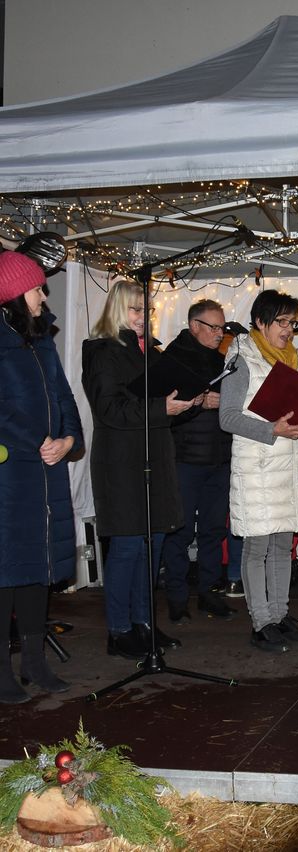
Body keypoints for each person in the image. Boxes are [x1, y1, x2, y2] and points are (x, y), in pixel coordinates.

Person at [82, 279, 194, 660]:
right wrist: (163, 408)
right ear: (117, 310)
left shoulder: (151, 353)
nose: (142, 318)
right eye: (134, 310)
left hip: (154, 460)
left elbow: (161, 401)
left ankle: (144, 623)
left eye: (146, 311)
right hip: (122, 464)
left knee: (154, 545)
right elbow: (109, 411)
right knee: (128, 548)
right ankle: (119, 629)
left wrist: (192, 399)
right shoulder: (103, 352)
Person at [0, 251, 83, 703]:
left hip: (48, 468)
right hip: (10, 472)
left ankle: (34, 661)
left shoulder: (41, 339)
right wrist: (39, 439)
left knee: (39, 569)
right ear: (13, 295)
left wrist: (69, 438)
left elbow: (63, 394)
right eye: (36, 288)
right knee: (6, 570)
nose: (43, 294)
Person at [219, 290, 298, 652]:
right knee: (256, 547)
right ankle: (261, 623)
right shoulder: (242, 358)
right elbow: (227, 417)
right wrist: (270, 429)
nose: (289, 330)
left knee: (282, 546)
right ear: (260, 322)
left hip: (289, 464)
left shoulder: (293, 360)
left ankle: (279, 615)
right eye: (281, 322)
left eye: (292, 323)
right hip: (257, 465)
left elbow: (296, 413)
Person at [162, 298, 236, 624]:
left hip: (218, 458)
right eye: (214, 327)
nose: (220, 333)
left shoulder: (222, 361)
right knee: (178, 531)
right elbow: (163, 415)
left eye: (223, 327)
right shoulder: (173, 360)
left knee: (212, 530)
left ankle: (209, 593)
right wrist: (200, 404)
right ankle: (177, 598)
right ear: (195, 326)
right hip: (185, 459)